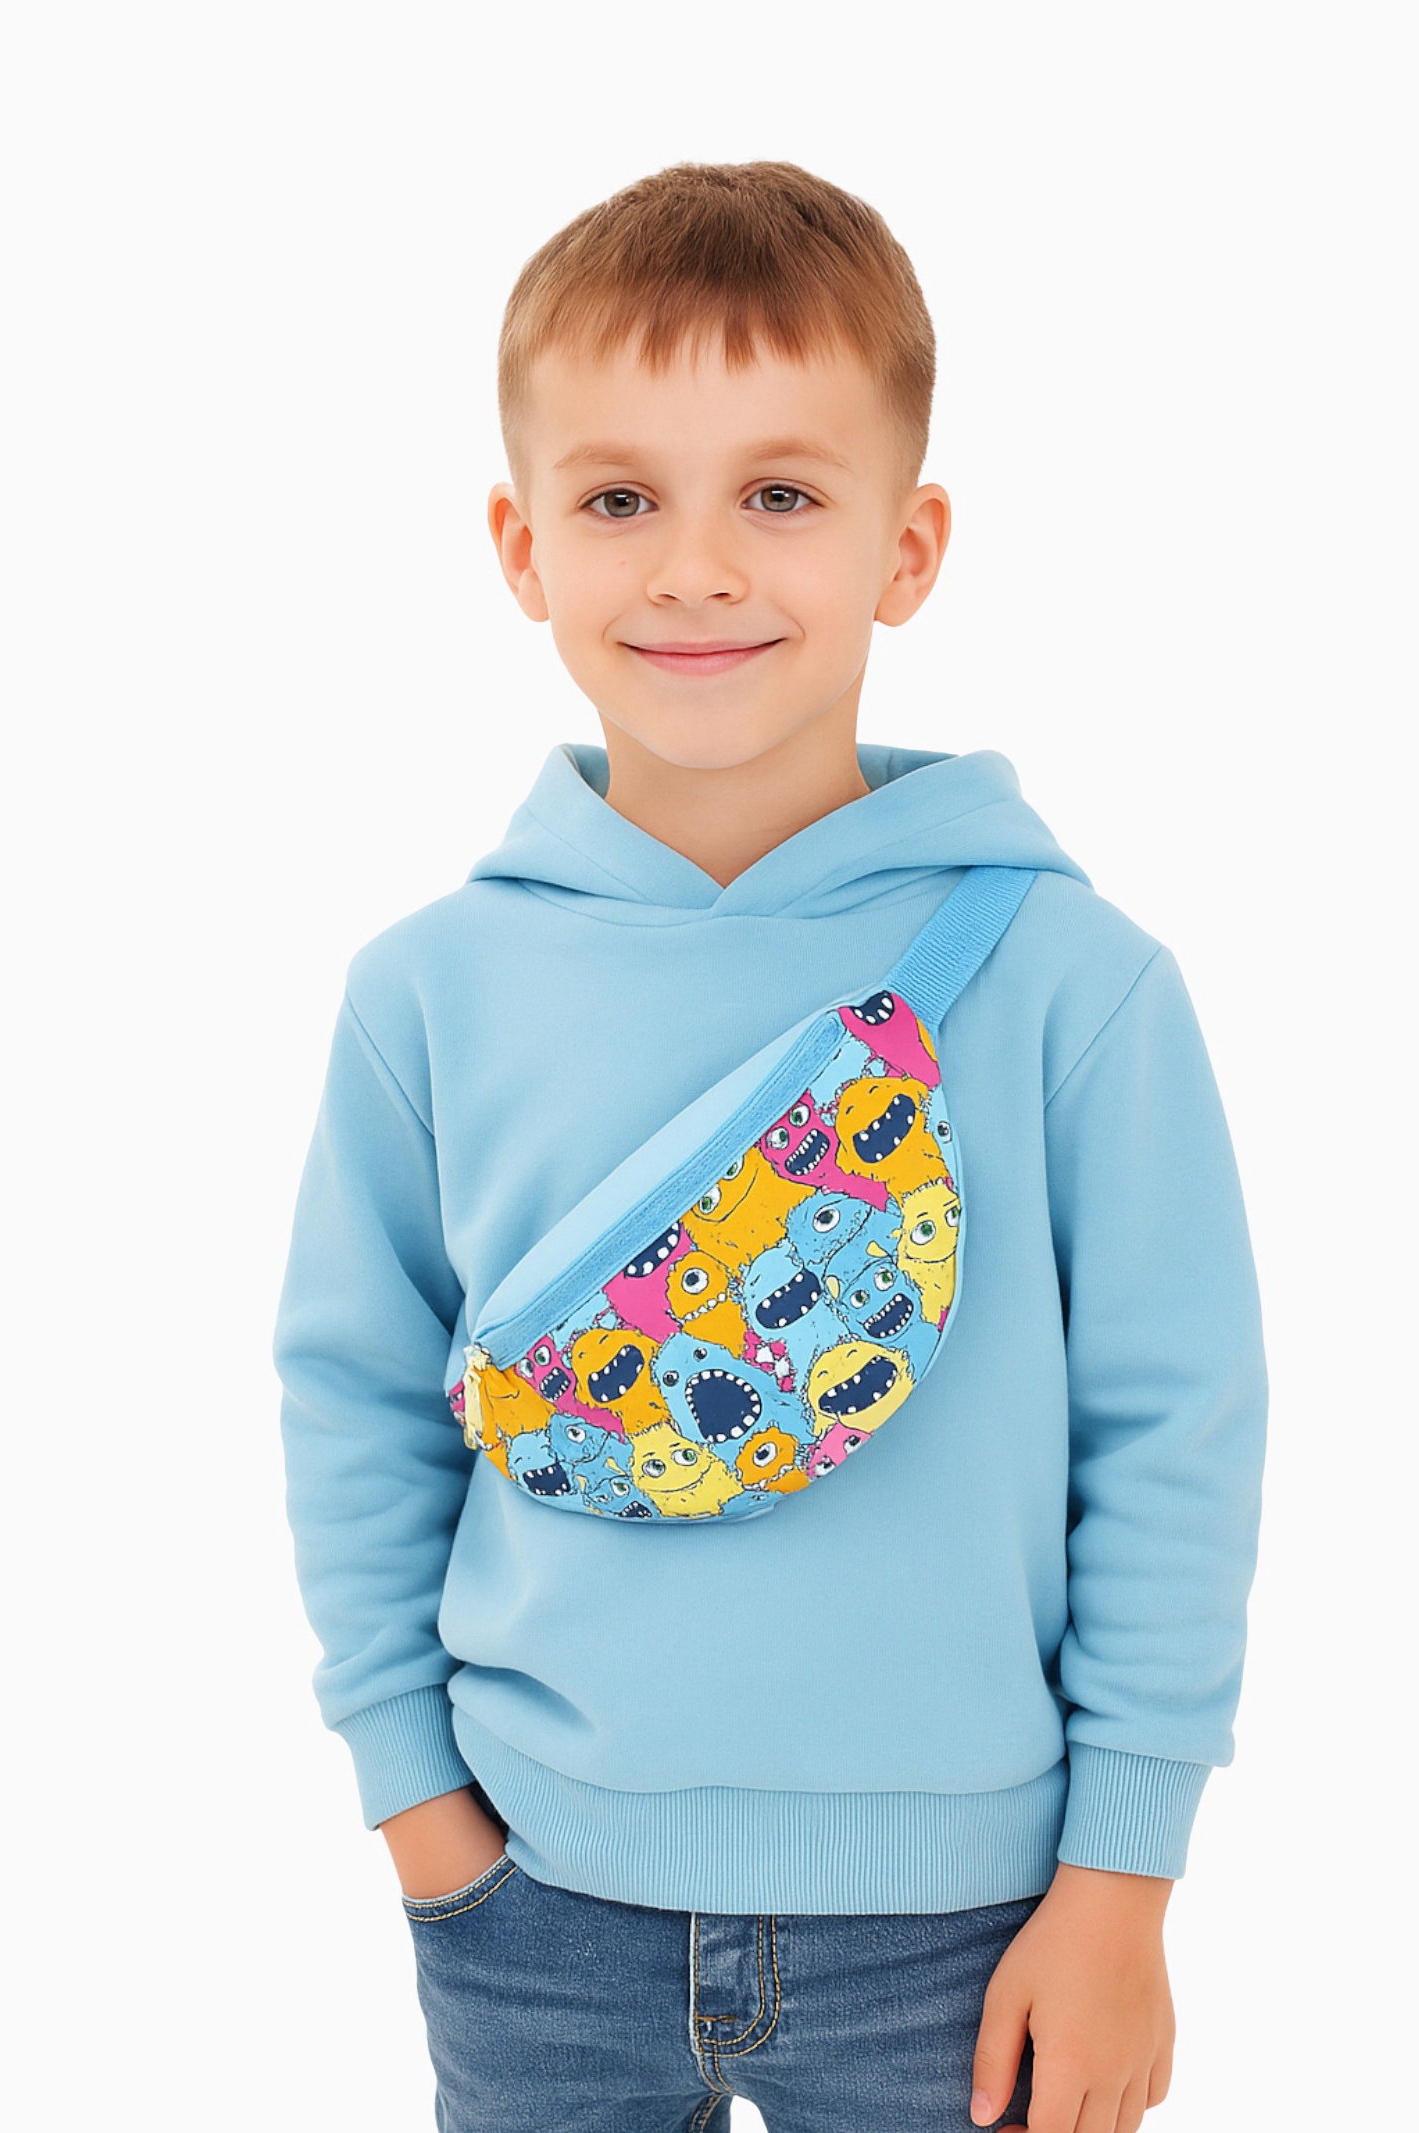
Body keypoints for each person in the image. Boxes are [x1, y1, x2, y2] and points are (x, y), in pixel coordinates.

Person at [272, 159, 1269, 2133]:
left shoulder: (1071, 984)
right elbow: (355, 1401)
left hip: (975, 1928)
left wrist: (1121, 1878)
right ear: (519, 544)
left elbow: (1176, 1431)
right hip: (534, 1898)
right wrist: (419, 1809)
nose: (697, 568)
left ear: (910, 546)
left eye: (783, 495)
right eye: (619, 499)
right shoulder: (428, 987)